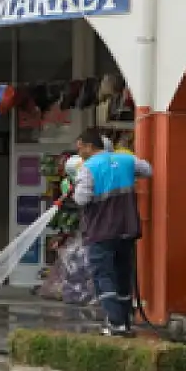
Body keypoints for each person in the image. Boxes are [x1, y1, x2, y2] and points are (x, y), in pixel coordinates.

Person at [70, 127, 152, 337]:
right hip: (127, 228)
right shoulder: (126, 161)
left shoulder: (87, 168)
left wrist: (72, 186)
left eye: (80, 148)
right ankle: (125, 321)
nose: (79, 152)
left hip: (102, 230)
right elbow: (148, 170)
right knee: (122, 274)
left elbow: (81, 199)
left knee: (103, 276)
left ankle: (115, 323)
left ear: (90, 146)